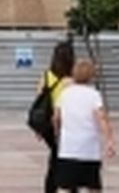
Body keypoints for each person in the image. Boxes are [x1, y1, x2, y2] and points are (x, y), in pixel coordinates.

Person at [53, 59, 114, 193]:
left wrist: (57, 133)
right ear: (91, 75)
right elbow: (102, 118)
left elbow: (56, 117)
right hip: (89, 150)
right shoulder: (94, 95)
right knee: (93, 186)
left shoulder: (65, 93)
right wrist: (109, 140)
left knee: (64, 186)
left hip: (68, 148)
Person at [35, 41, 75, 192]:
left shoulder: (46, 76)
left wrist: (38, 128)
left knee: (55, 156)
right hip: (68, 124)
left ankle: (52, 188)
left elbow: (38, 98)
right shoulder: (72, 79)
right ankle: (70, 187)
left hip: (48, 126)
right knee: (67, 157)